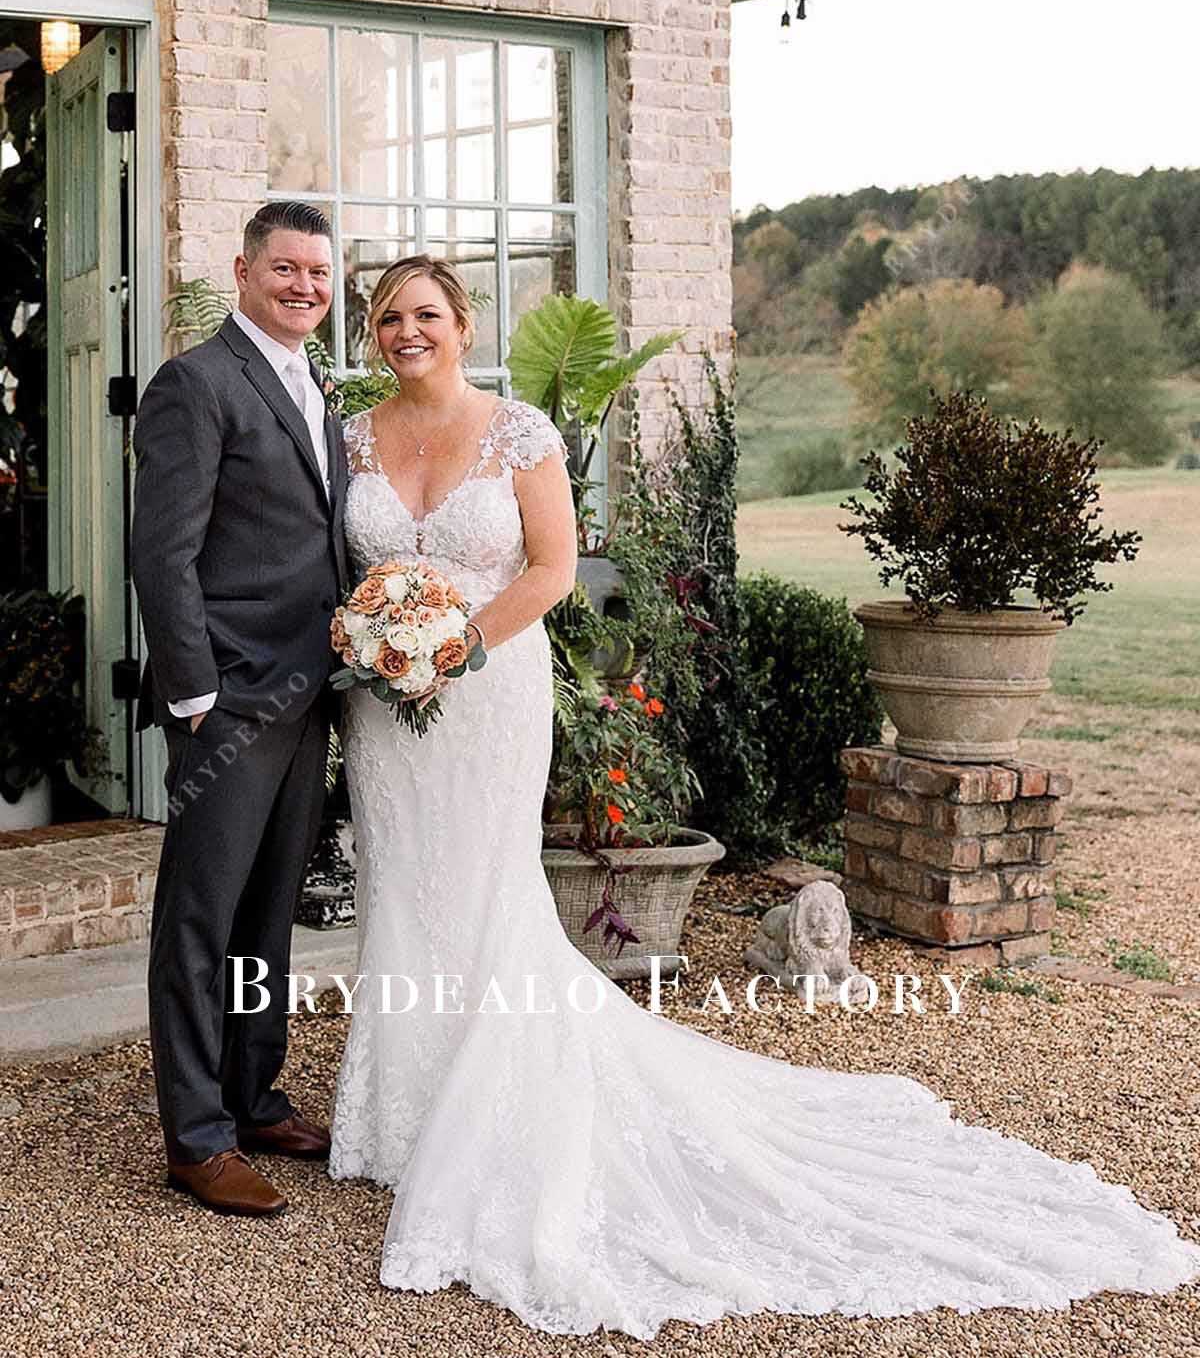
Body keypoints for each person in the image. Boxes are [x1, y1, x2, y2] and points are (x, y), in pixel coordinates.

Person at [328, 251, 1200, 1340]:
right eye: (385, 319)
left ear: (461, 323)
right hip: (385, 707)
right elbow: (350, 563)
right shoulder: (355, 437)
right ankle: (395, 1119)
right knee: (405, 888)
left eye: (424, 314)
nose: (404, 332)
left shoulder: (521, 435)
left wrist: (459, 641)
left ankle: (488, 1110)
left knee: (485, 887)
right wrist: (373, 638)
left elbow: (551, 570)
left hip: (488, 689)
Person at [132, 201, 349, 1216]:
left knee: (269, 914)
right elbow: (163, 550)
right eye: (286, 269)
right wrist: (194, 696)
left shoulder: (320, 391)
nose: (304, 284)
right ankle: (197, 1136)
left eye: (318, 271)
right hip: (226, 703)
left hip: (310, 696)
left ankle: (254, 1094)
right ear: (244, 271)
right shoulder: (196, 382)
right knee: (199, 918)